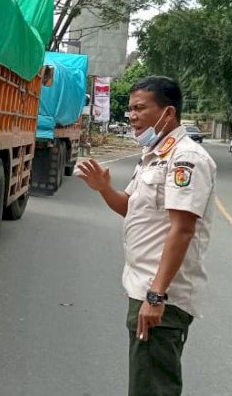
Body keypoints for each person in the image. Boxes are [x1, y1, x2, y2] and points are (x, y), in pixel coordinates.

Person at [77, 76, 216, 396]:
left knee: (152, 388)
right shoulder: (155, 154)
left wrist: (157, 295)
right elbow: (131, 208)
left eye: (140, 108)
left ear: (168, 113)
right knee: (144, 384)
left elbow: (182, 229)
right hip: (145, 288)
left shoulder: (186, 158)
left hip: (162, 296)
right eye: (130, 109)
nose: (132, 116)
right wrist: (104, 189)